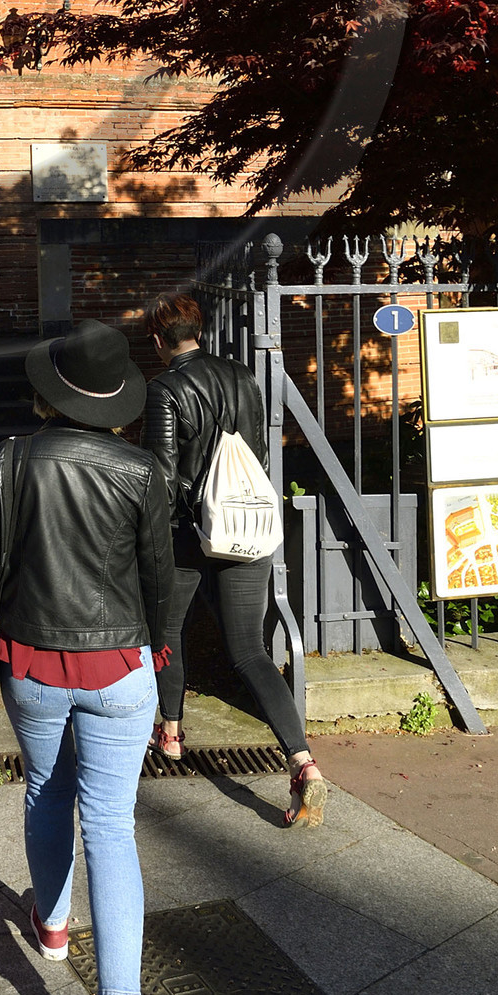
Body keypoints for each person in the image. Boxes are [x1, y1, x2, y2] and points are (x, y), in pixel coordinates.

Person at [0, 321, 173, 995]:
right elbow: (158, 578)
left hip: (32, 660)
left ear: (52, 390)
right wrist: (160, 657)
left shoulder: (12, 458)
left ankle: (51, 924)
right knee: (111, 826)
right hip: (120, 665)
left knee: (46, 790)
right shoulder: (142, 470)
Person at [143, 293, 326, 826]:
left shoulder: (165, 389)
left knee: (167, 631)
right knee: (250, 651)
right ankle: (303, 761)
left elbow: (163, 475)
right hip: (244, 525)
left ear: (158, 341)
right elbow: (257, 453)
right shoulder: (243, 376)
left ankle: (171, 733)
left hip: (188, 533)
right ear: (198, 330)